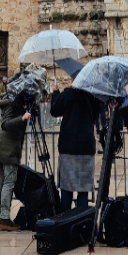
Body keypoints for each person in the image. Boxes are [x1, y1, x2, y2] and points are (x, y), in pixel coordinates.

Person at [50, 84, 99, 212]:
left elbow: (54, 110)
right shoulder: (92, 96)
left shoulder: (68, 94)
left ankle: (66, 220)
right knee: (83, 191)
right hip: (86, 148)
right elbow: (96, 113)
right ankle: (81, 220)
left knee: (66, 189)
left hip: (68, 147)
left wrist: (55, 93)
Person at [0, 95, 30, 231]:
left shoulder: (10, 101)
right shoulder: (13, 104)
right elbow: (5, 124)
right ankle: (4, 217)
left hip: (2, 147)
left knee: (0, 182)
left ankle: (0, 217)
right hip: (8, 150)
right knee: (8, 183)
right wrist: (22, 118)